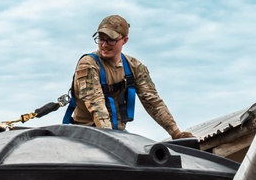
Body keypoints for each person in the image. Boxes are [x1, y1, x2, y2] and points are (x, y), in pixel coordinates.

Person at [64, 14, 193, 139]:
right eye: (101, 39)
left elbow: (153, 102)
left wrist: (176, 133)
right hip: (87, 132)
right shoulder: (88, 64)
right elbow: (96, 104)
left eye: (111, 40)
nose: (104, 44)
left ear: (124, 40)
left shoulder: (134, 67)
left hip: (118, 133)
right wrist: (110, 139)